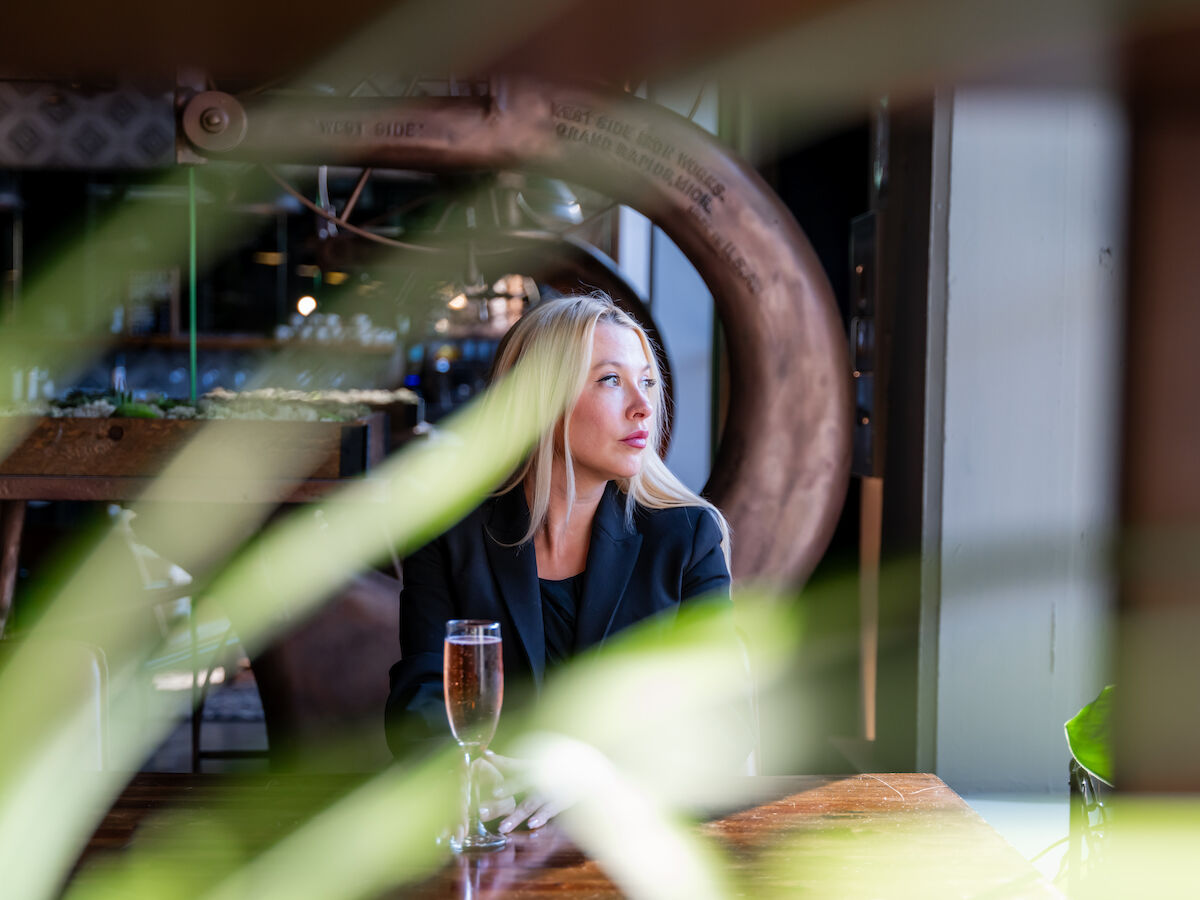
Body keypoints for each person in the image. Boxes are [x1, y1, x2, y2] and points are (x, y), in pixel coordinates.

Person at [384, 291, 732, 830]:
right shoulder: (446, 534)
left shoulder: (686, 538)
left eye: (647, 382)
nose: (642, 406)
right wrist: (456, 767)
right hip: (494, 835)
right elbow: (422, 692)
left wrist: (590, 772)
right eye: (610, 380)